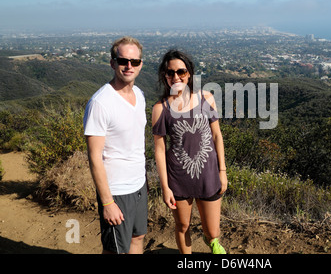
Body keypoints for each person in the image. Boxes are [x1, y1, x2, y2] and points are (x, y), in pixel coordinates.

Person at [152, 49, 228, 254]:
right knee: (182, 226)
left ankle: (212, 241)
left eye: (181, 71)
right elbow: (159, 150)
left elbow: (217, 136)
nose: (176, 77)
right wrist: (165, 186)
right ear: (164, 76)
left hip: (209, 174)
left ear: (189, 73)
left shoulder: (206, 98)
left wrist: (223, 171)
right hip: (178, 177)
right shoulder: (161, 108)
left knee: (213, 231)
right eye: (170, 73)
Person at [83, 36, 148, 254]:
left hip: (139, 185)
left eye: (135, 61)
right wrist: (107, 203)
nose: (129, 66)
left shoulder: (140, 95)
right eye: (123, 61)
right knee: (115, 250)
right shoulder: (101, 103)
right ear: (113, 63)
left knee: (137, 238)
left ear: (141, 65)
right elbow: (94, 156)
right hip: (117, 190)